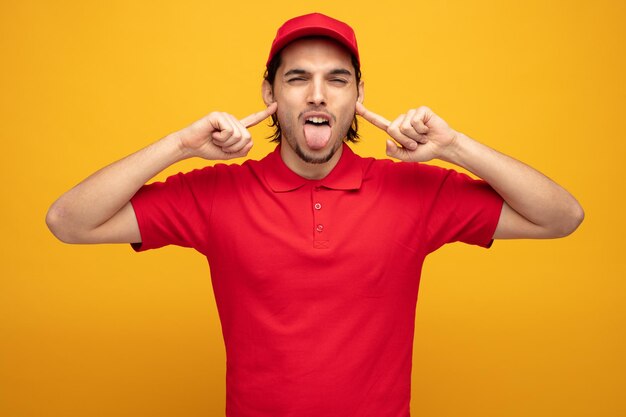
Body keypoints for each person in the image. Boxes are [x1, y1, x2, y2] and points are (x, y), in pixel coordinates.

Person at [46, 12, 583, 417]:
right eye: (297, 78)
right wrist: (179, 146)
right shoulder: (216, 194)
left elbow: (561, 217)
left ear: (358, 96)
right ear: (271, 95)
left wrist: (454, 147)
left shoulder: (414, 191)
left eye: (337, 79)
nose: (317, 94)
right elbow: (69, 222)